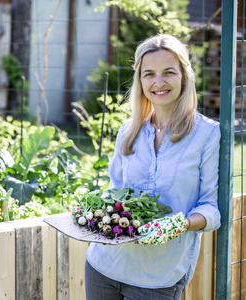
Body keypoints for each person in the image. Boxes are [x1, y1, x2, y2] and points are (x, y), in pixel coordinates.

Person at [85, 34, 221, 300]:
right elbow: (114, 190)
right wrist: (94, 209)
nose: (159, 83)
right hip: (104, 265)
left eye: (169, 72)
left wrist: (180, 224)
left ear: (184, 75)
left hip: (159, 276)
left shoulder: (207, 134)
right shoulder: (128, 130)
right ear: (140, 80)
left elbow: (211, 207)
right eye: (149, 74)